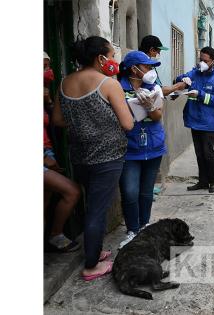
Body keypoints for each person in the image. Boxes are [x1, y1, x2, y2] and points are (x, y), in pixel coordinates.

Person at [52, 36, 134, 280]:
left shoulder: (65, 82)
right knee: (97, 211)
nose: (113, 61)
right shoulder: (108, 84)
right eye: (110, 56)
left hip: (80, 157)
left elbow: (57, 120)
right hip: (107, 159)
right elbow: (128, 123)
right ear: (100, 58)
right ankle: (91, 266)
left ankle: (94, 251)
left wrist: (83, 124)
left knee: (91, 206)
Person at [116, 51, 166, 249]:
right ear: (133, 69)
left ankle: (144, 227)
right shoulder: (118, 88)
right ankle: (132, 230)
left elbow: (157, 117)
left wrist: (150, 105)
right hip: (129, 148)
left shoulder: (153, 88)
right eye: (147, 66)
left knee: (146, 192)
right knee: (129, 191)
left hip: (153, 146)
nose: (150, 70)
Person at [175, 47, 214, 193]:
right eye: (200, 60)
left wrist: (200, 94)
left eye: (205, 61)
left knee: (208, 153)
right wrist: (182, 79)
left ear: (213, 61)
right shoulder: (195, 73)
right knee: (199, 153)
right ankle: (203, 181)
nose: (202, 63)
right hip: (195, 119)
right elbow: (181, 78)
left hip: (209, 122)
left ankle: (213, 182)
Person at [44, 52, 81, 253]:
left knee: (45, 199)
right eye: (43, 67)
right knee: (71, 191)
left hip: (48, 152)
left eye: (48, 66)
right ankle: (55, 235)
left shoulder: (46, 92)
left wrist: (48, 102)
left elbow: (54, 119)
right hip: (43, 157)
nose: (48, 72)